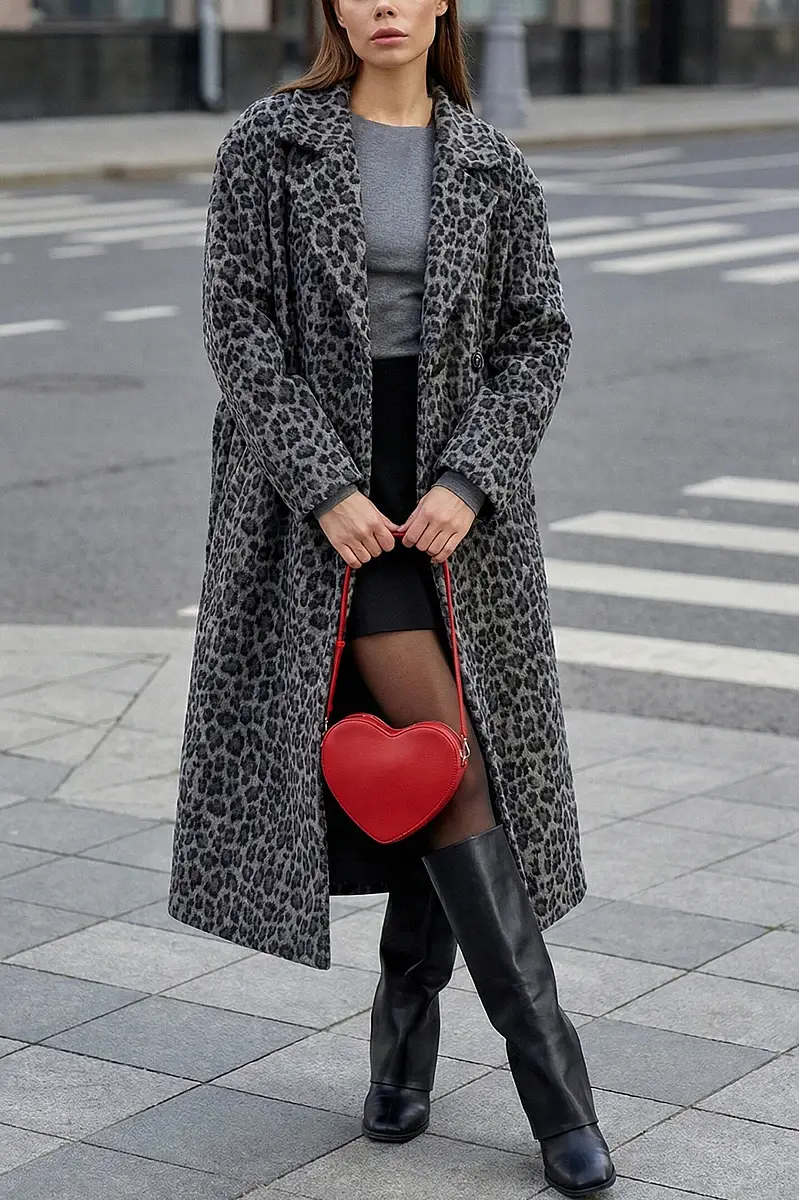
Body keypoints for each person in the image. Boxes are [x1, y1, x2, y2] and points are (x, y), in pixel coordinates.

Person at [168, 0, 616, 1194]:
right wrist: (325, 488)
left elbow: (537, 336)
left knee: (435, 760)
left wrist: (471, 478)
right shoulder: (271, 143)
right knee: (451, 768)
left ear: (440, 7)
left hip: (452, 518)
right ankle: (555, 1087)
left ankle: (403, 1042)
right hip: (320, 517)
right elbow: (237, 330)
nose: (383, 5)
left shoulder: (489, 160)